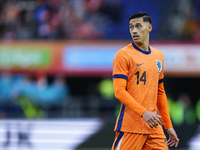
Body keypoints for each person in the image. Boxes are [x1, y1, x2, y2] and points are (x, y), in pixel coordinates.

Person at [111, 12, 179, 150]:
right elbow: (119, 92)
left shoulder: (158, 56)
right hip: (131, 126)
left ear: (149, 27)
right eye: (131, 27)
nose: (134, 30)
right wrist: (143, 112)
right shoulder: (123, 55)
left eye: (138, 26)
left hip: (154, 127)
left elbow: (160, 93)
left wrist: (168, 125)